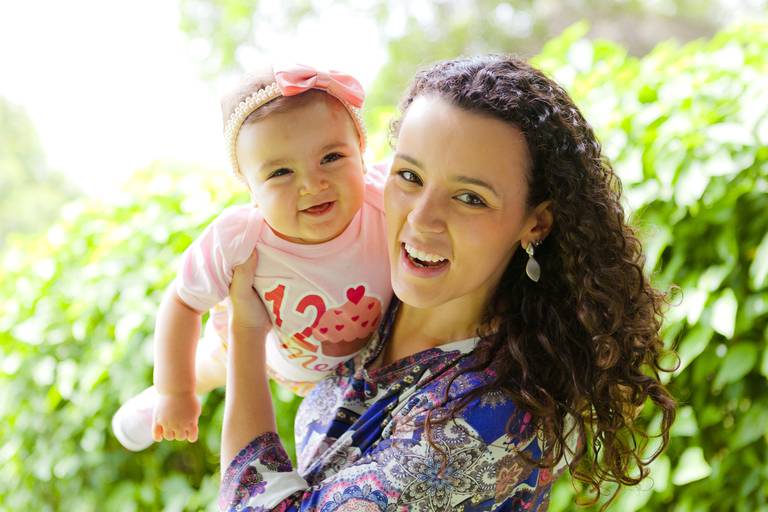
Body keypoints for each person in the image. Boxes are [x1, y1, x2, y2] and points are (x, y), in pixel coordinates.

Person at [219, 55, 677, 511]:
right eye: (410, 176)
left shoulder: (485, 422)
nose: (421, 220)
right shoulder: (379, 295)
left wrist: (245, 333)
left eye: (469, 198)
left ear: (536, 223)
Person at [111, 64, 392, 452]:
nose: (312, 184)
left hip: (357, 361)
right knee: (210, 366)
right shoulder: (239, 237)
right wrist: (176, 392)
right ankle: (155, 403)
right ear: (250, 188)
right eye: (280, 172)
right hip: (267, 353)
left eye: (331, 157)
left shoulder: (385, 198)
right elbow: (182, 302)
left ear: (362, 152)